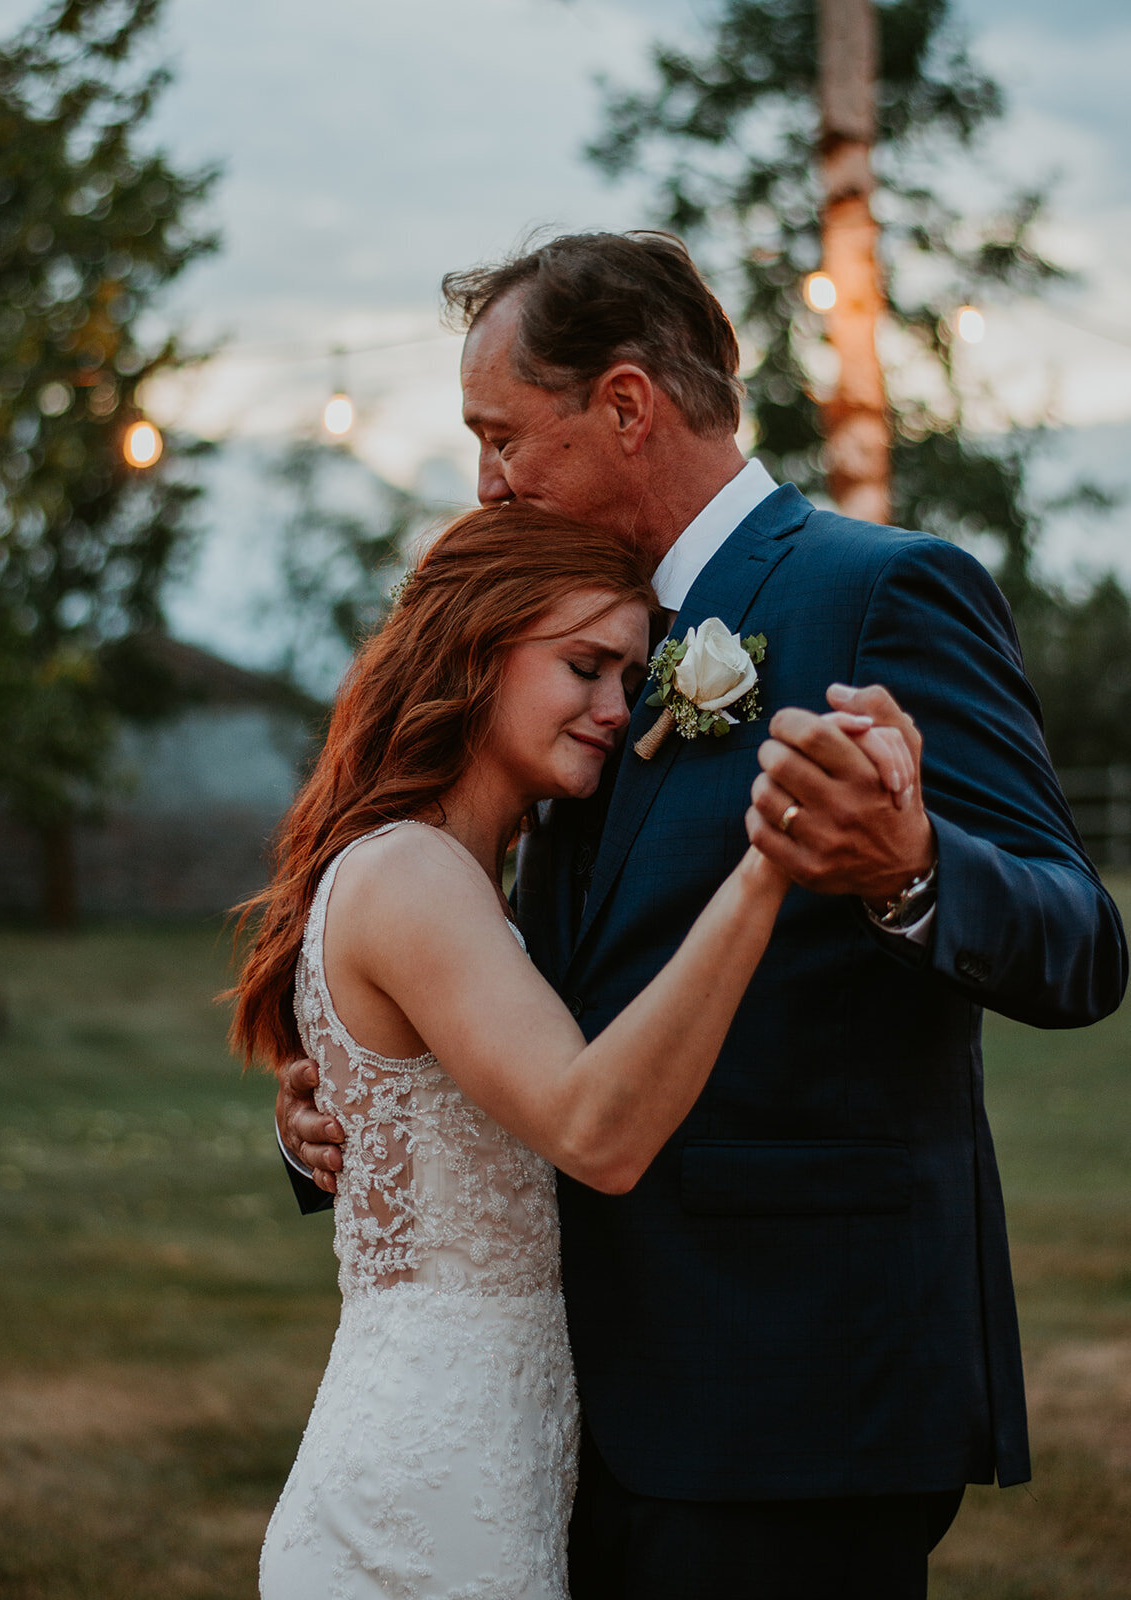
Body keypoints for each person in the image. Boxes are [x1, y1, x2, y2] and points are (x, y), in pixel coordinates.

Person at [277, 232, 1128, 1599]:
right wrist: (364, 1108)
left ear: (624, 406)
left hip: (789, 1395)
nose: (486, 482)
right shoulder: (566, 639)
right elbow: (521, 974)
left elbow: (1074, 939)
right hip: (555, 1410)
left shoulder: (874, 591)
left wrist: (909, 866)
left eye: (502, 439)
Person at [236, 504, 909, 1598]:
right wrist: (770, 865)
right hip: (423, 1499)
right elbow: (595, 1126)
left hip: (507, 1471)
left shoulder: (480, 876)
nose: (614, 707)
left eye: (631, 678)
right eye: (583, 665)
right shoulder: (410, 873)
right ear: (473, 648)